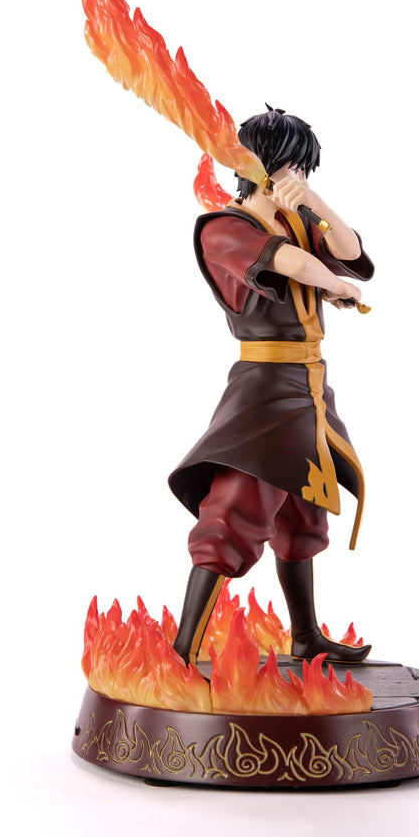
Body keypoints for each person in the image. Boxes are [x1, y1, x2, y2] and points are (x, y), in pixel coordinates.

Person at [167, 107, 373, 665]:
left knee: (305, 513)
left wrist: (314, 203)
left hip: (310, 387)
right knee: (236, 513)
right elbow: (292, 265)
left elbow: (351, 252)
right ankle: (184, 653)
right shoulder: (223, 228)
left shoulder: (299, 222)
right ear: (258, 167)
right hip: (263, 389)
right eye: (291, 167)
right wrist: (335, 286)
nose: (298, 178)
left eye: (304, 170)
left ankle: (305, 636)